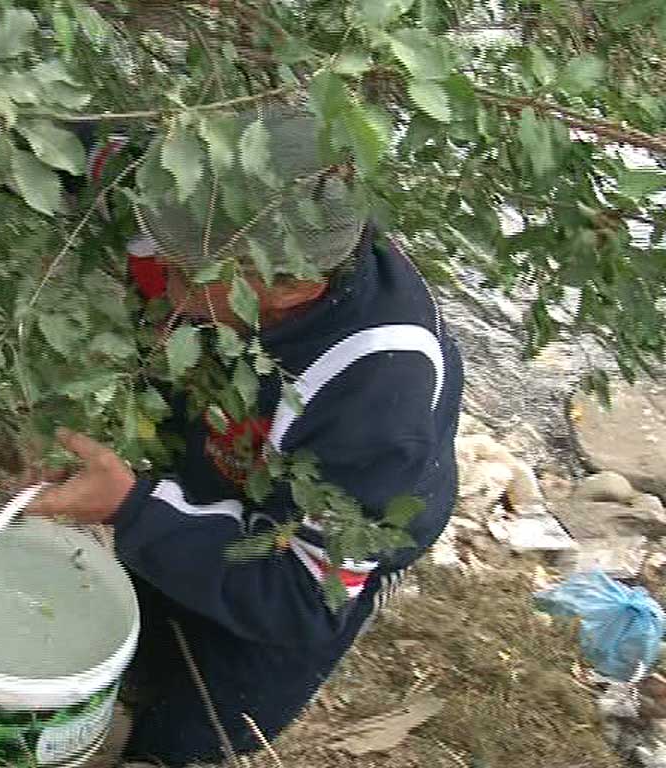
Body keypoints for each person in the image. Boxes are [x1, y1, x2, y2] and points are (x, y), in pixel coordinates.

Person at [25, 109, 465, 767]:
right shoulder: (187, 190)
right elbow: (59, 146)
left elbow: (304, 596)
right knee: (137, 642)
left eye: (188, 274)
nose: (165, 287)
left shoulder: (377, 389)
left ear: (291, 288)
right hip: (213, 471)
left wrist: (134, 509)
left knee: (191, 730)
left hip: (301, 564)